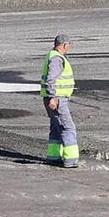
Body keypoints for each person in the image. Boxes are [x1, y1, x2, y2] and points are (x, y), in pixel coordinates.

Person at [40, 34, 79, 168]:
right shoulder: (57, 58)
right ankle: (71, 159)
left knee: (56, 127)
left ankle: (53, 156)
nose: (70, 47)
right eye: (69, 45)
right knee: (67, 127)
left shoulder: (52, 55)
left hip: (54, 98)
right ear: (64, 45)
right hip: (57, 99)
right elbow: (51, 79)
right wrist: (53, 97)